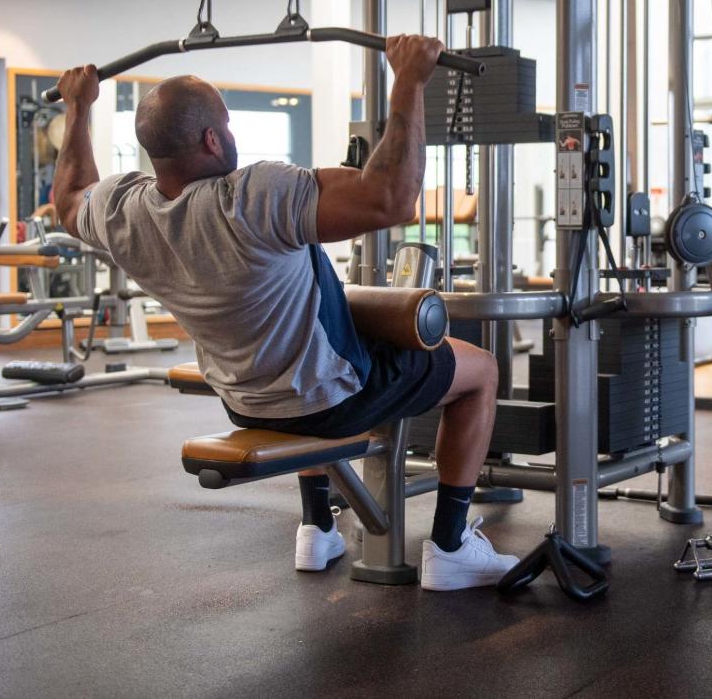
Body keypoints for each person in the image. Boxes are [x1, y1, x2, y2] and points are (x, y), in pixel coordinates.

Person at [51, 36, 517, 591]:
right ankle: (451, 545)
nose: (231, 134)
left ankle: (319, 527)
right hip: (332, 399)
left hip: (245, 402)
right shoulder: (249, 196)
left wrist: (79, 108)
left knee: (302, 354)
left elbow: (69, 197)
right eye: (227, 124)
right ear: (211, 137)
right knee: (480, 370)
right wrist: (409, 80)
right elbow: (390, 199)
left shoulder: (123, 210)